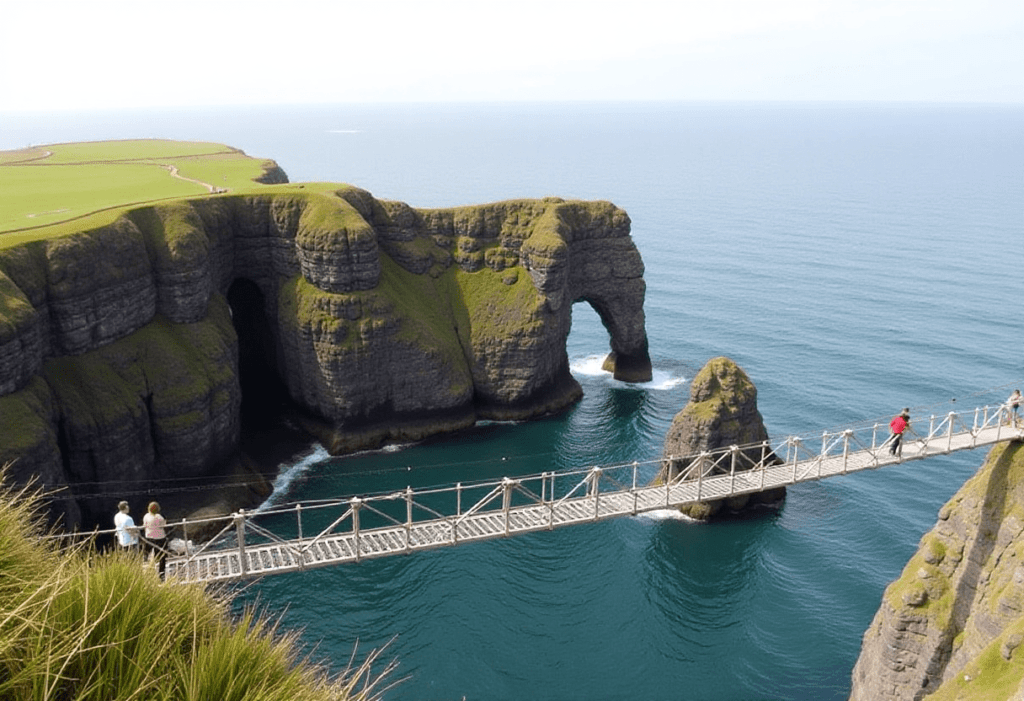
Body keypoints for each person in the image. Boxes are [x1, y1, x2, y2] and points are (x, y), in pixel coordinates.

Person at [142, 501, 168, 577]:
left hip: (149, 538)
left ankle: (146, 572)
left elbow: (144, 525)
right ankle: (161, 574)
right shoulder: (159, 517)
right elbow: (163, 525)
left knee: (146, 554)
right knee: (162, 557)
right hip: (160, 538)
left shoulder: (146, 516)